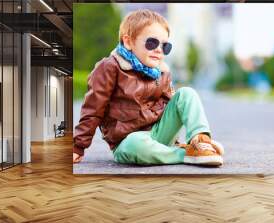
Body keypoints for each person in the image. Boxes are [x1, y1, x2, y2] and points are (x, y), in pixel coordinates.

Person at [73, 9, 225, 166]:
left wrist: (174, 137)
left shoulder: (162, 71)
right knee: (136, 143)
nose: (159, 49)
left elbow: (171, 110)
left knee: (187, 93)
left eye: (165, 46)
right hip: (128, 142)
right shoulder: (110, 67)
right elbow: (93, 110)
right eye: (151, 42)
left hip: (159, 134)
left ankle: (200, 140)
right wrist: (78, 147)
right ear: (128, 42)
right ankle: (185, 153)